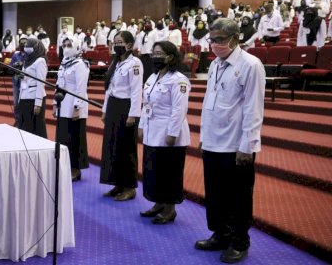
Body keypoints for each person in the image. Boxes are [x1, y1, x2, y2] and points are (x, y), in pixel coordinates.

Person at [195, 18, 265, 264]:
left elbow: (253, 108)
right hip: (214, 141)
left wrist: (247, 145)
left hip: (236, 145)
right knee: (215, 194)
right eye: (211, 40)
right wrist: (204, 136)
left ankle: (239, 241)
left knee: (238, 197)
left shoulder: (250, 65)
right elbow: (209, 104)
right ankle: (220, 234)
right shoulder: (215, 64)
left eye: (220, 40)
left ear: (236, 39)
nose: (214, 45)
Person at [138, 41, 190, 224]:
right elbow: (146, 105)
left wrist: (172, 133)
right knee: (154, 171)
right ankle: (158, 203)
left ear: (170, 57)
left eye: (159, 53)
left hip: (169, 133)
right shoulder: (152, 78)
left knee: (169, 172)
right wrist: (142, 125)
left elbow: (179, 109)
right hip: (153, 131)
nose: (155, 56)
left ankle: (170, 209)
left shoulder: (179, 80)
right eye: (153, 53)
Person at [100, 31, 143, 201]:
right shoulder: (116, 63)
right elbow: (109, 89)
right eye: (114, 42)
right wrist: (104, 109)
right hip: (113, 106)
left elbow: (136, 90)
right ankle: (117, 183)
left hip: (127, 108)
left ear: (130, 45)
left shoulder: (135, 63)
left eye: (120, 42)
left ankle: (129, 187)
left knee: (126, 148)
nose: (116, 44)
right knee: (113, 146)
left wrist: (133, 115)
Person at [54, 38, 90, 181]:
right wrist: (54, 104)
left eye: (69, 45)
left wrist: (77, 107)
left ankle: (75, 169)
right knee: (63, 138)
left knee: (75, 139)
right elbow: (58, 85)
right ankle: (64, 167)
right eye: (64, 45)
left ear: (76, 47)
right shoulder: (64, 64)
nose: (66, 48)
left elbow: (81, 87)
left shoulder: (80, 64)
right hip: (62, 104)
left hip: (74, 106)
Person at [18, 37, 48, 138]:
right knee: (24, 127)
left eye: (29, 46)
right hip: (24, 96)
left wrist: (38, 103)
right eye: (26, 46)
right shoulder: (27, 59)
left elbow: (41, 82)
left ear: (36, 47)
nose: (26, 48)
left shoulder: (40, 61)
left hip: (34, 98)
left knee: (35, 128)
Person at [11, 36, 28, 127]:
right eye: (21, 43)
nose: (23, 45)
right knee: (16, 103)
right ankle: (17, 120)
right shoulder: (15, 54)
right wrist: (14, 65)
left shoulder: (29, 54)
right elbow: (10, 68)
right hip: (16, 81)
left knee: (24, 102)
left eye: (25, 43)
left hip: (25, 81)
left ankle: (23, 121)